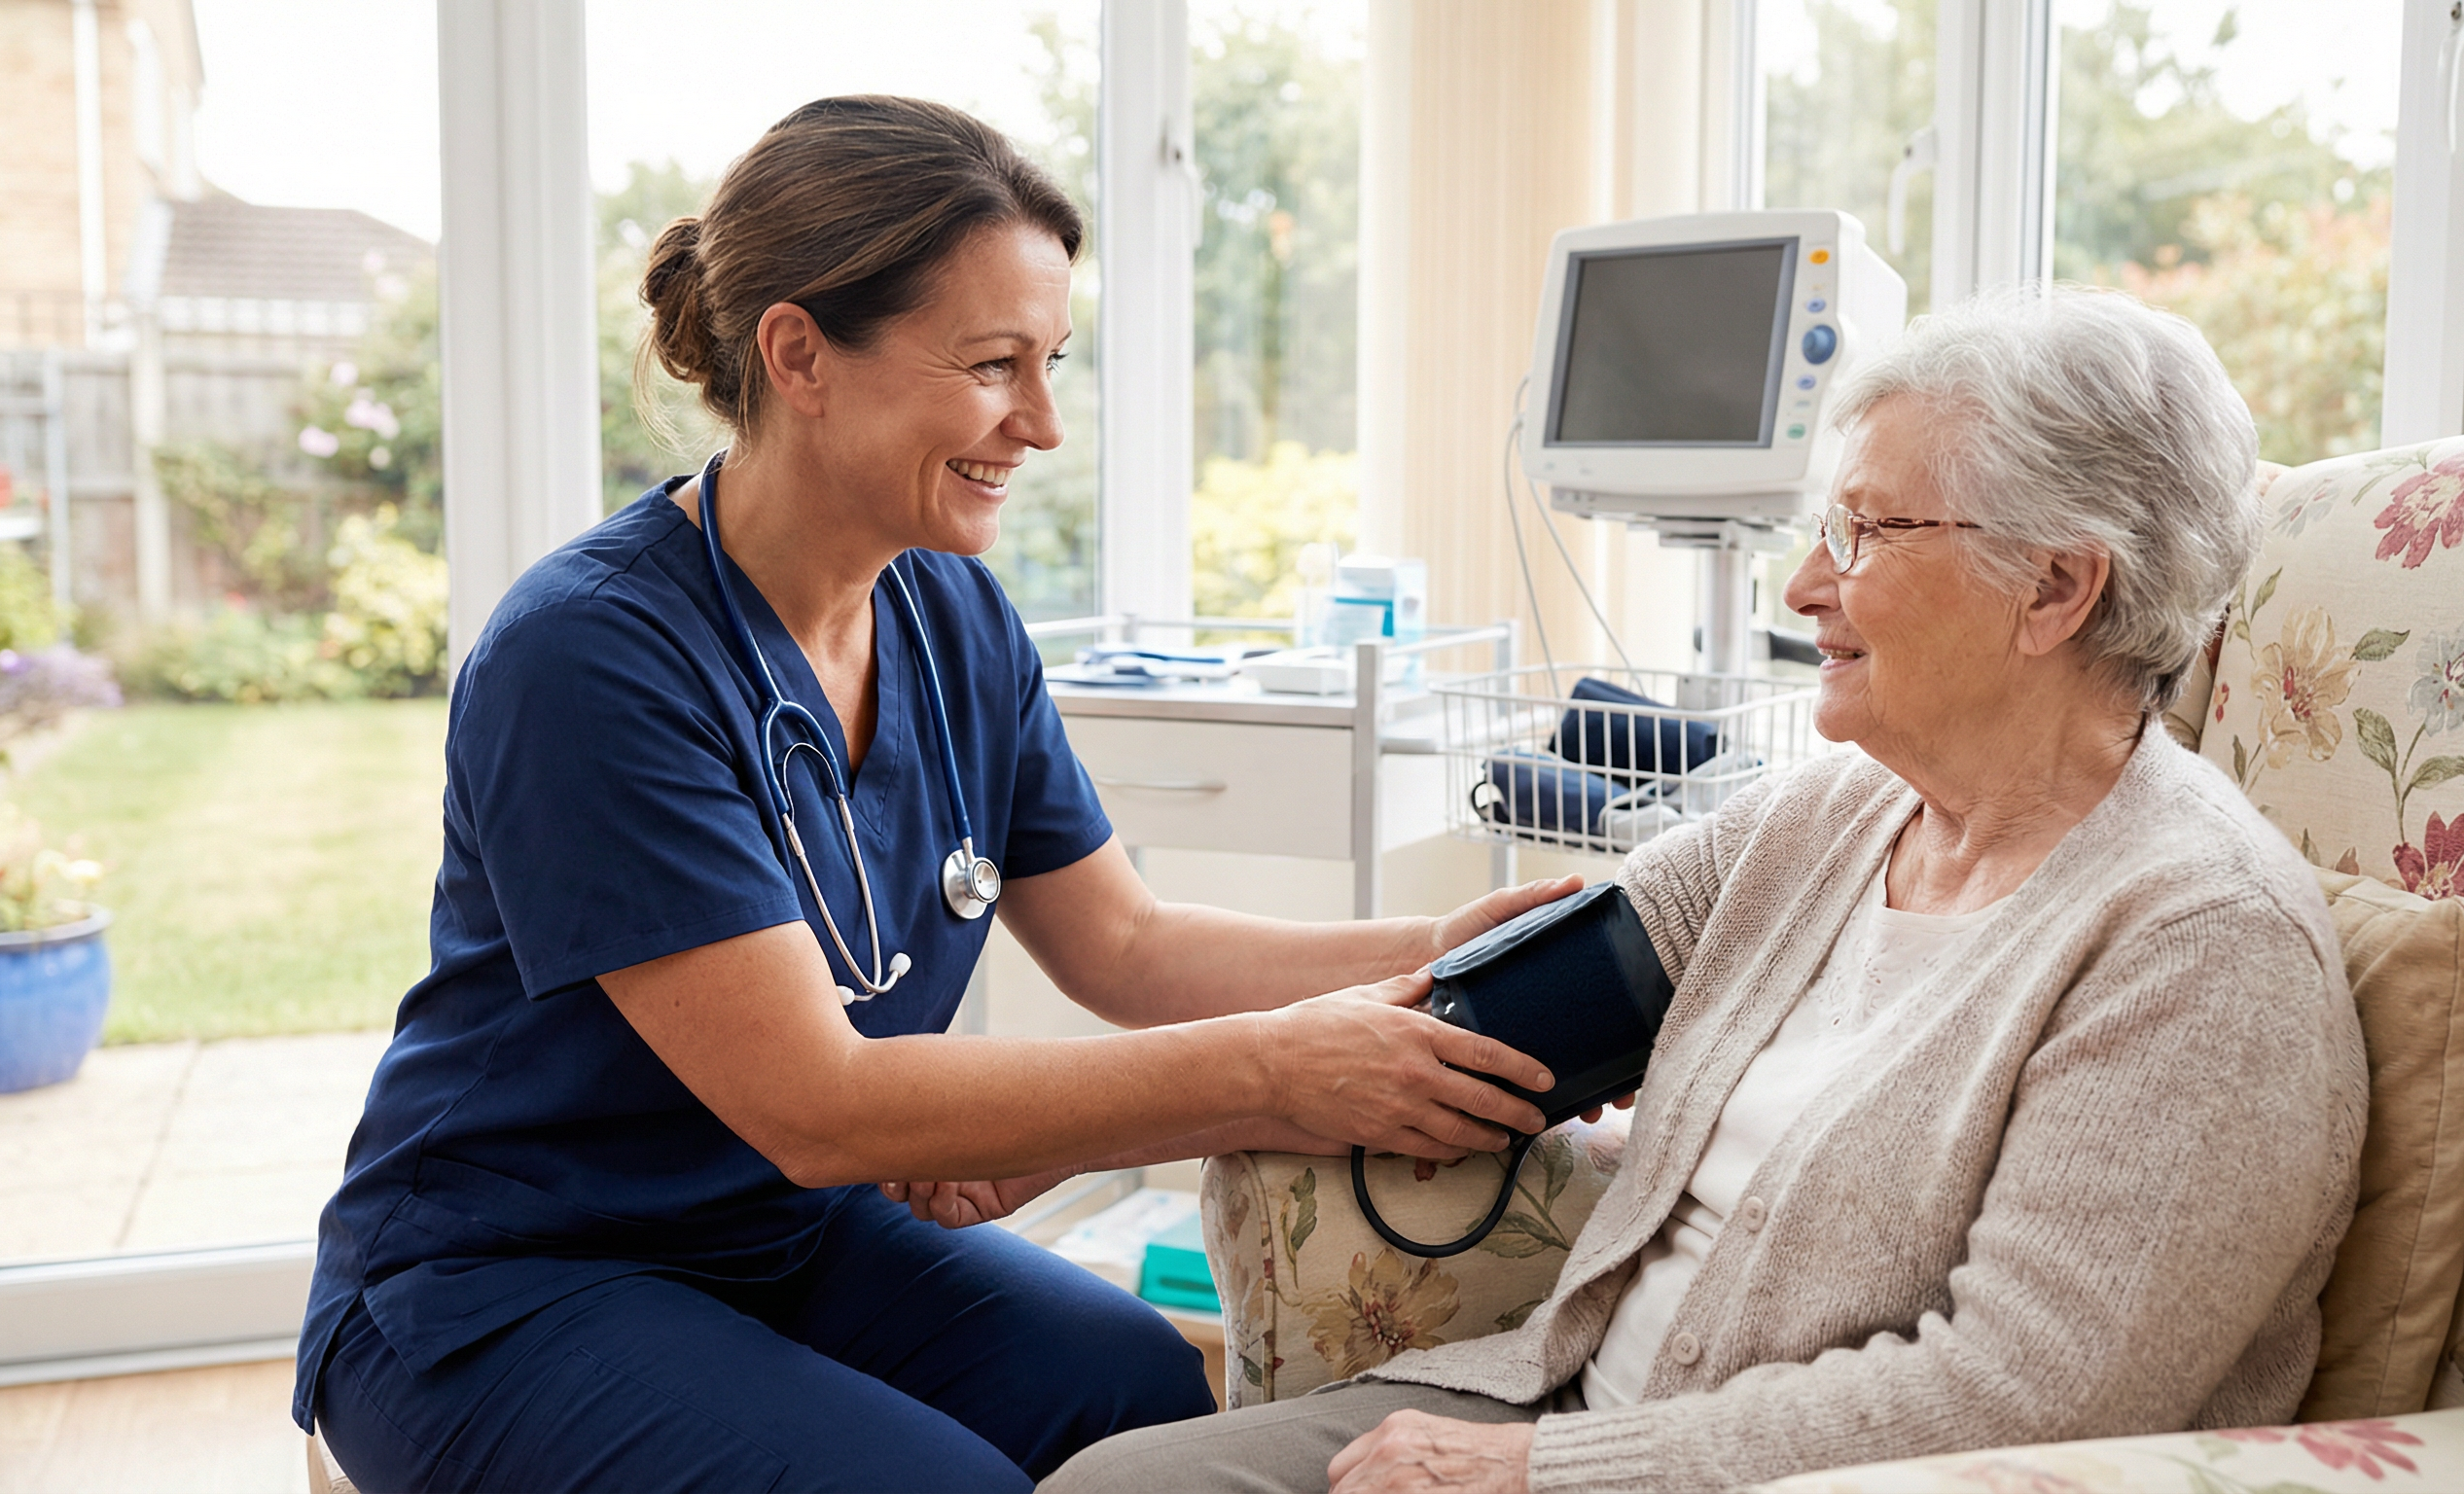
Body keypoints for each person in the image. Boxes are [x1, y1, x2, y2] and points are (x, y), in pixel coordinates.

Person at [291, 95, 1576, 1494]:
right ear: (800, 356)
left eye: (1052, 364)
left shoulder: (952, 613)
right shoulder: (591, 655)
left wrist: (1433, 952)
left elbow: (1126, 950)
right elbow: (825, 1104)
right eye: (991, 365)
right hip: (504, 1282)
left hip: (782, 1236)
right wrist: (1276, 1074)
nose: (1041, 424)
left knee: (1140, 1397)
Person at [1041, 285, 2372, 1494]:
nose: (1805, 589)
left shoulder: (2203, 947)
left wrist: (1548, 1471)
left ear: (2056, 588)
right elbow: (1493, 1019)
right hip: (1556, 1400)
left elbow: (2021, 1393)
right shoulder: (1832, 814)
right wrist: (1043, 1140)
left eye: (1864, 532)